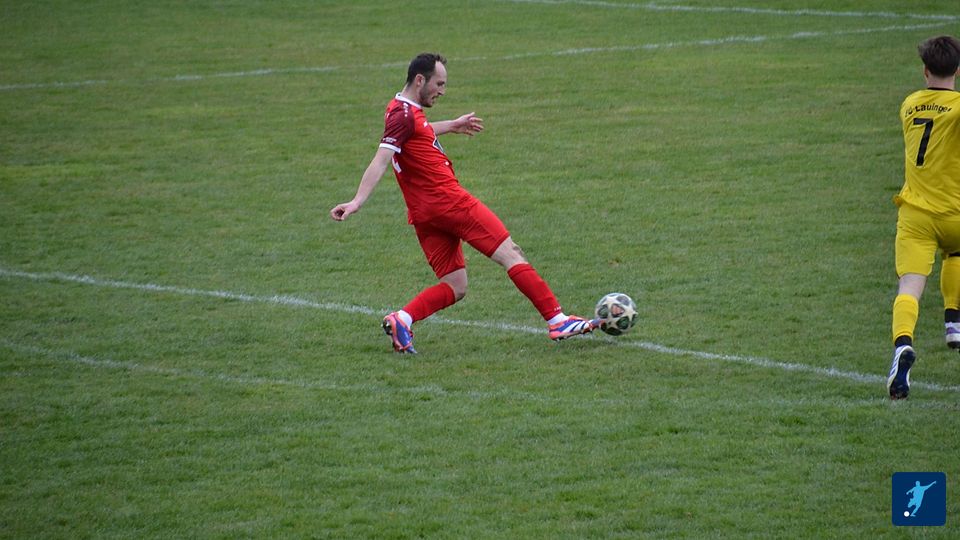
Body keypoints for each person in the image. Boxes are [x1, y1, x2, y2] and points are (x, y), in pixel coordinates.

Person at [330, 53, 597, 353]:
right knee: (511, 253)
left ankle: (402, 319)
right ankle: (557, 320)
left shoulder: (401, 110)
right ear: (420, 80)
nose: (442, 91)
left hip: (424, 214)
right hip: (449, 202)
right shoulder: (403, 116)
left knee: (456, 285)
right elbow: (381, 160)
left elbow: (419, 130)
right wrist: (357, 201)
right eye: (439, 84)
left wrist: (451, 125)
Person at [887, 35, 960, 399]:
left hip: (916, 215)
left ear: (925, 71)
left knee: (910, 287)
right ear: (957, 71)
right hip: (956, 216)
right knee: (956, 252)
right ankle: (953, 322)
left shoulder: (909, 104)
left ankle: (903, 344)